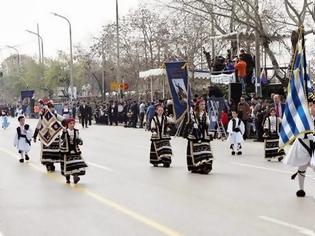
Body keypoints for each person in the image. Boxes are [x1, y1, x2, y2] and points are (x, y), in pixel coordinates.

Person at [33, 99, 65, 172]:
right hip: (46, 137)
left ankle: (51, 164)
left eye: (52, 107)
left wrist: (65, 126)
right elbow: (38, 126)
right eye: (50, 107)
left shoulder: (55, 115)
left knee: (53, 151)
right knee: (48, 151)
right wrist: (35, 136)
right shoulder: (43, 116)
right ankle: (48, 164)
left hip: (54, 137)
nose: (51, 109)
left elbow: (63, 120)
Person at [186, 99, 214, 174]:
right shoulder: (193, 113)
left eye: (204, 104)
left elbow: (208, 123)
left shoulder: (206, 114)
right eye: (201, 104)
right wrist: (193, 124)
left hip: (204, 134)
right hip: (195, 134)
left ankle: (206, 166)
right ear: (198, 105)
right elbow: (189, 123)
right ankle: (196, 166)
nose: (203, 106)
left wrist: (206, 124)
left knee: (205, 149)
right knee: (195, 149)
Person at [60, 118, 88, 184]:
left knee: (76, 164)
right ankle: (67, 178)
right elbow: (62, 140)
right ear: (67, 124)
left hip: (75, 150)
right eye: (70, 123)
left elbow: (79, 139)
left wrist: (80, 141)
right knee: (67, 165)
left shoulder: (76, 131)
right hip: (67, 151)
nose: (72, 125)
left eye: (73, 123)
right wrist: (64, 134)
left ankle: (76, 176)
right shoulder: (65, 131)